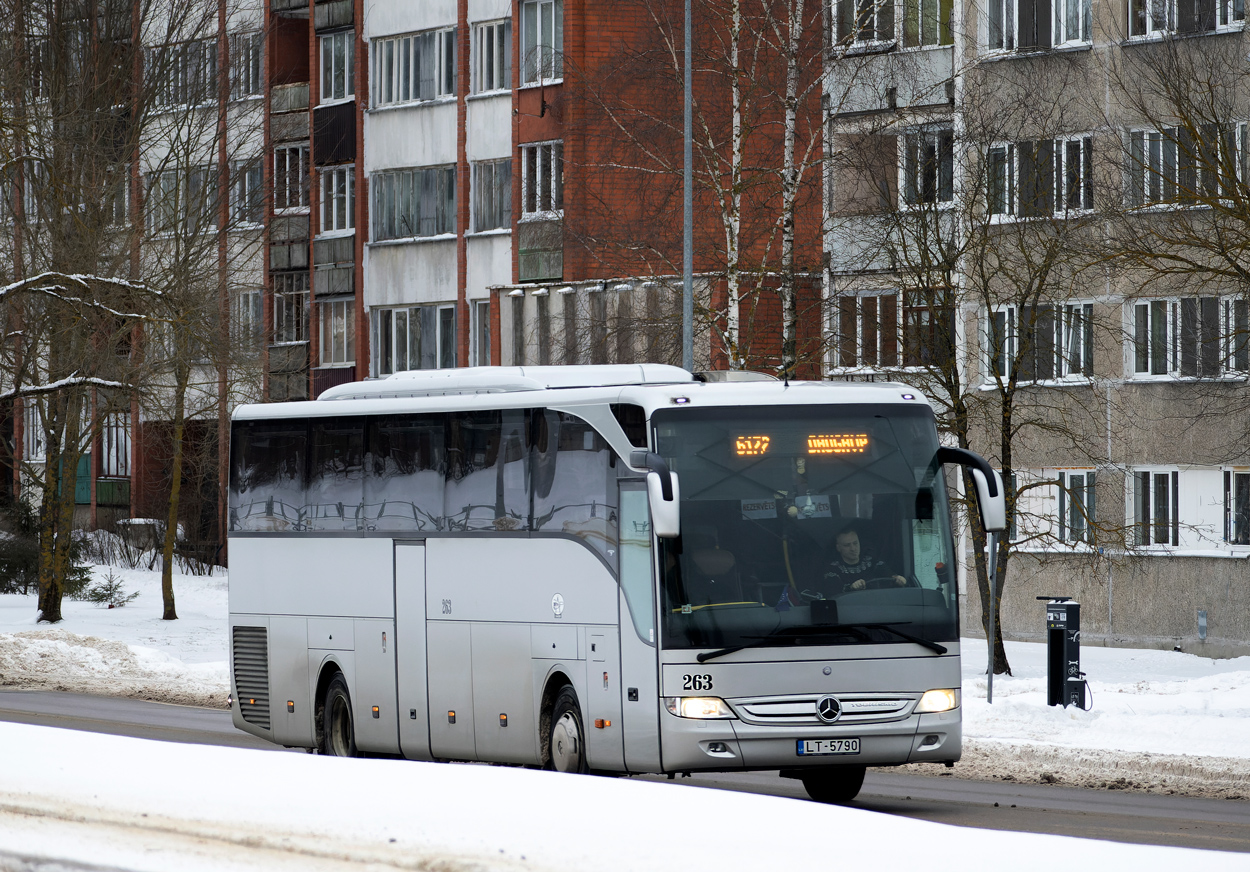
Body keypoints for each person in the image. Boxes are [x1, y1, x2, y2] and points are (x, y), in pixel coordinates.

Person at [823, 528, 907, 592]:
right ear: (838, 548)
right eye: (847, 545)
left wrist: (897, 579)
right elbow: (834, 590)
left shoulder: (872, 561)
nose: (853, 548)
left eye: (855, 543)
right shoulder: (832, 569)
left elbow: (888, 574)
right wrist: (852, 587)